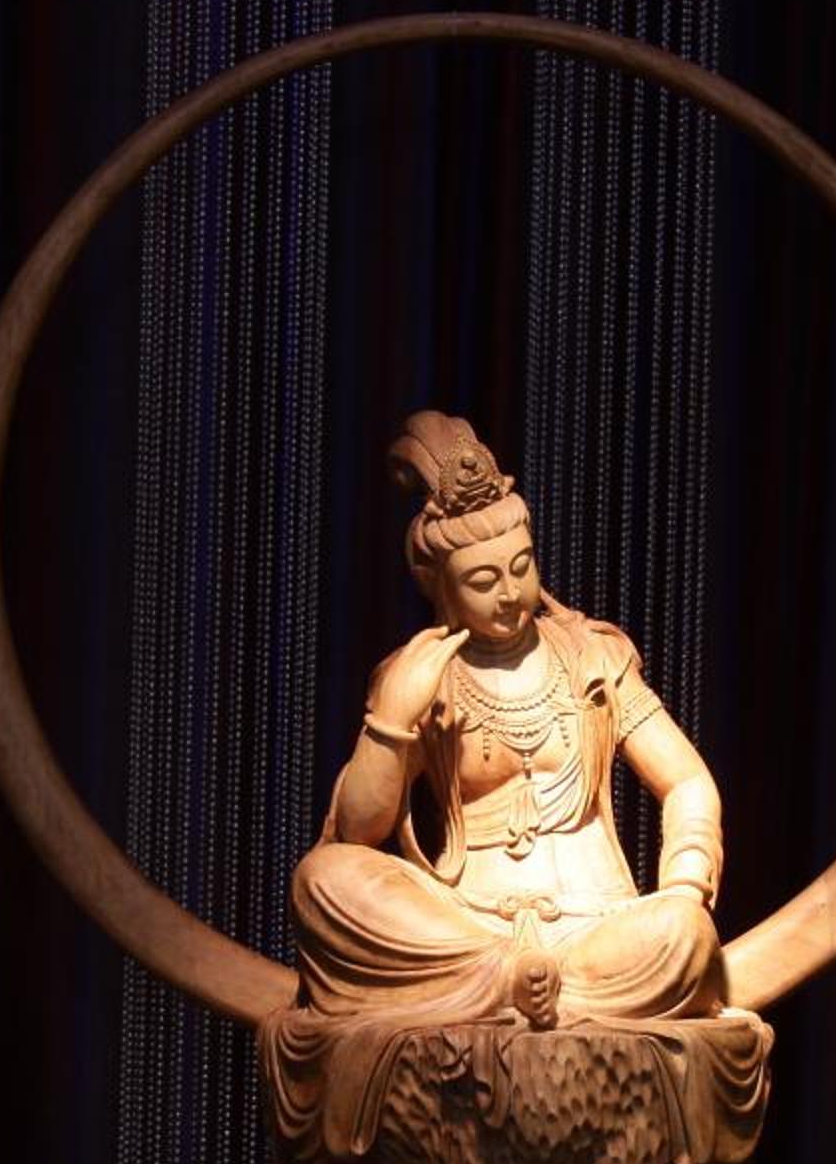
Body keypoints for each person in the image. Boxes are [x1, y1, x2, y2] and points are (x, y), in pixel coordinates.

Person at [287, 410, 726, 1030]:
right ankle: (507, 980)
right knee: (322, 879)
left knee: (684, 934)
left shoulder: (591, 656)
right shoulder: (424, 676)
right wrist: (392, 719)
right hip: (470, 925)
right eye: (483, 580)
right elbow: (358, 832)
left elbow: (686, 781)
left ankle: (528, 989)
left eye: (521, 567)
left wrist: (684, 884)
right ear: (441, 588)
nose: (509, 593)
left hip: (597, 927)